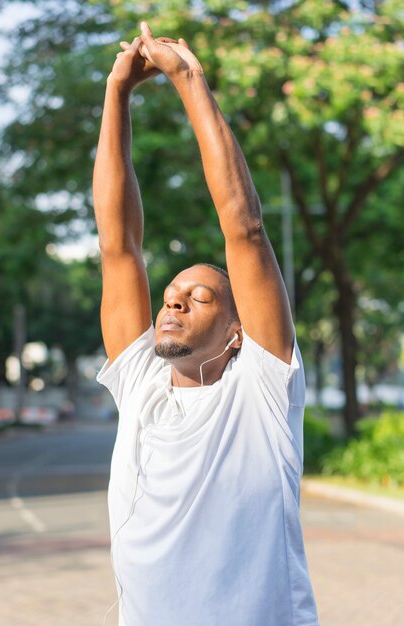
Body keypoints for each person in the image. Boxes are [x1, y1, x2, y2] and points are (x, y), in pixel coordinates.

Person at [94, 21, 319, 626]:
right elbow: (119, 246)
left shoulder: (262, 391)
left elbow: (243, 227)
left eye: (200, 297)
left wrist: (188, 79)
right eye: (170, 295)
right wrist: (117, 95)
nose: (174, 303)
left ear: (238, 330)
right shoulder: (141, 381)